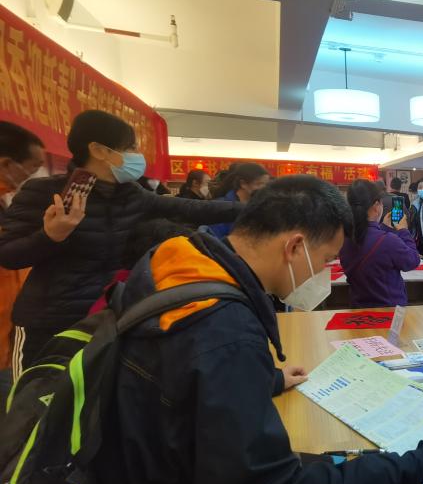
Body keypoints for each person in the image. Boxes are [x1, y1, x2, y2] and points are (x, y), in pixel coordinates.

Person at [79, 175, 423, 484]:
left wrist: (259, 380)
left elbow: (180, 378)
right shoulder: (223, 333)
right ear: (294, 246)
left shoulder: (182, 266)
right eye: (326, 260)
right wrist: (414, 469)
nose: (325, 273)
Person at [0, 110, 242, 379]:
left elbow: (189, 208)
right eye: (130, 148)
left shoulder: (131, 195)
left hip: (101, 318)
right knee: (33, 397)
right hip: (45, 324)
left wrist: (253, 209)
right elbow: (8, 255)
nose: (137, 156)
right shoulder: (44, 192)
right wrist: (51, 236)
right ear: (98, 150)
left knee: (88, 395)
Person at [0, 121, 46, 399]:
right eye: (33, 166)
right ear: (7, 164)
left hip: (8, 338)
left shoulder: (7, 204)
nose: (34, 174)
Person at [340, 179, 420, 308]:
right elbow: (412, 260)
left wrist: (383, 227)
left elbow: (370, 243)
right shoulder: (388, 241)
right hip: (388, 311)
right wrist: (403, 230)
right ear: (376, 206)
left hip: (358, 311)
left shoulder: (345, 239)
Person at [207, 162, 270, 238]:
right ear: (243, 183)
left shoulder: (261, 206)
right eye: (258, 184)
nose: (263, 188)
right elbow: (215, 239)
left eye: (266, 184)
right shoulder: (221, 207)